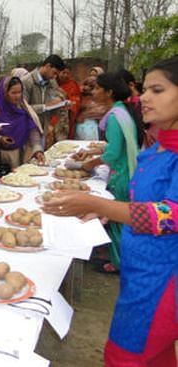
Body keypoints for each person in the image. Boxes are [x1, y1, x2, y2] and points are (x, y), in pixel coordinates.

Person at [43, 56, 178, 367]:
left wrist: (100, 204)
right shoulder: (160, 145)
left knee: (124, 357)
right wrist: (108, 212)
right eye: (144, 89)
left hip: (161, 282)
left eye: (157, 90)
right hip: (140, 271)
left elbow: (170, 214)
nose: (143, 97)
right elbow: (146, 200)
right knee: (156, 358)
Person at [76, 72, 144, 273]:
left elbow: (114, 153)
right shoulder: (123, 111)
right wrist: (93, 151)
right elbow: (118, 146)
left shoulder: (115, 117)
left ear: (109, 92)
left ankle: (119, 264)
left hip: (121, 175)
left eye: (97, 88)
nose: (93, 91)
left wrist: (90, 164)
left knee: (116, 222)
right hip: (127, 171)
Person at [0, 77, 44, 185]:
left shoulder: (23, 108)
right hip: (0, 159)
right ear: (5, 93)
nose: (18, 96)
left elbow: (32, 128)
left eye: (20, 92)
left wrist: (37, 148)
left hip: (21, 156)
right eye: (14, 93)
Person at [20, 54, 67, 148]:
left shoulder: (52, 83)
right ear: (48, 66)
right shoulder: (26, 81)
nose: (54, 77)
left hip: (42, 130)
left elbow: (52, 106)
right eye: (54, 73)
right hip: (27, 131)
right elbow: (23, 108)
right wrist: (45, 106)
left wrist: (61, 104)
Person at [75, 76, 110, 140]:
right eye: (85, 84)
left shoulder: (106, 104)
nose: (87, 88)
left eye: (91, 86)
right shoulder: (80, 98)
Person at [57, 65, 81, 139]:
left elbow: (76, 100)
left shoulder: (73, 85)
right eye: (63, 73)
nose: (65, 75)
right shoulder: (51, 84)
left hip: (66, 116)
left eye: (68, 73)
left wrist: (66, 98)